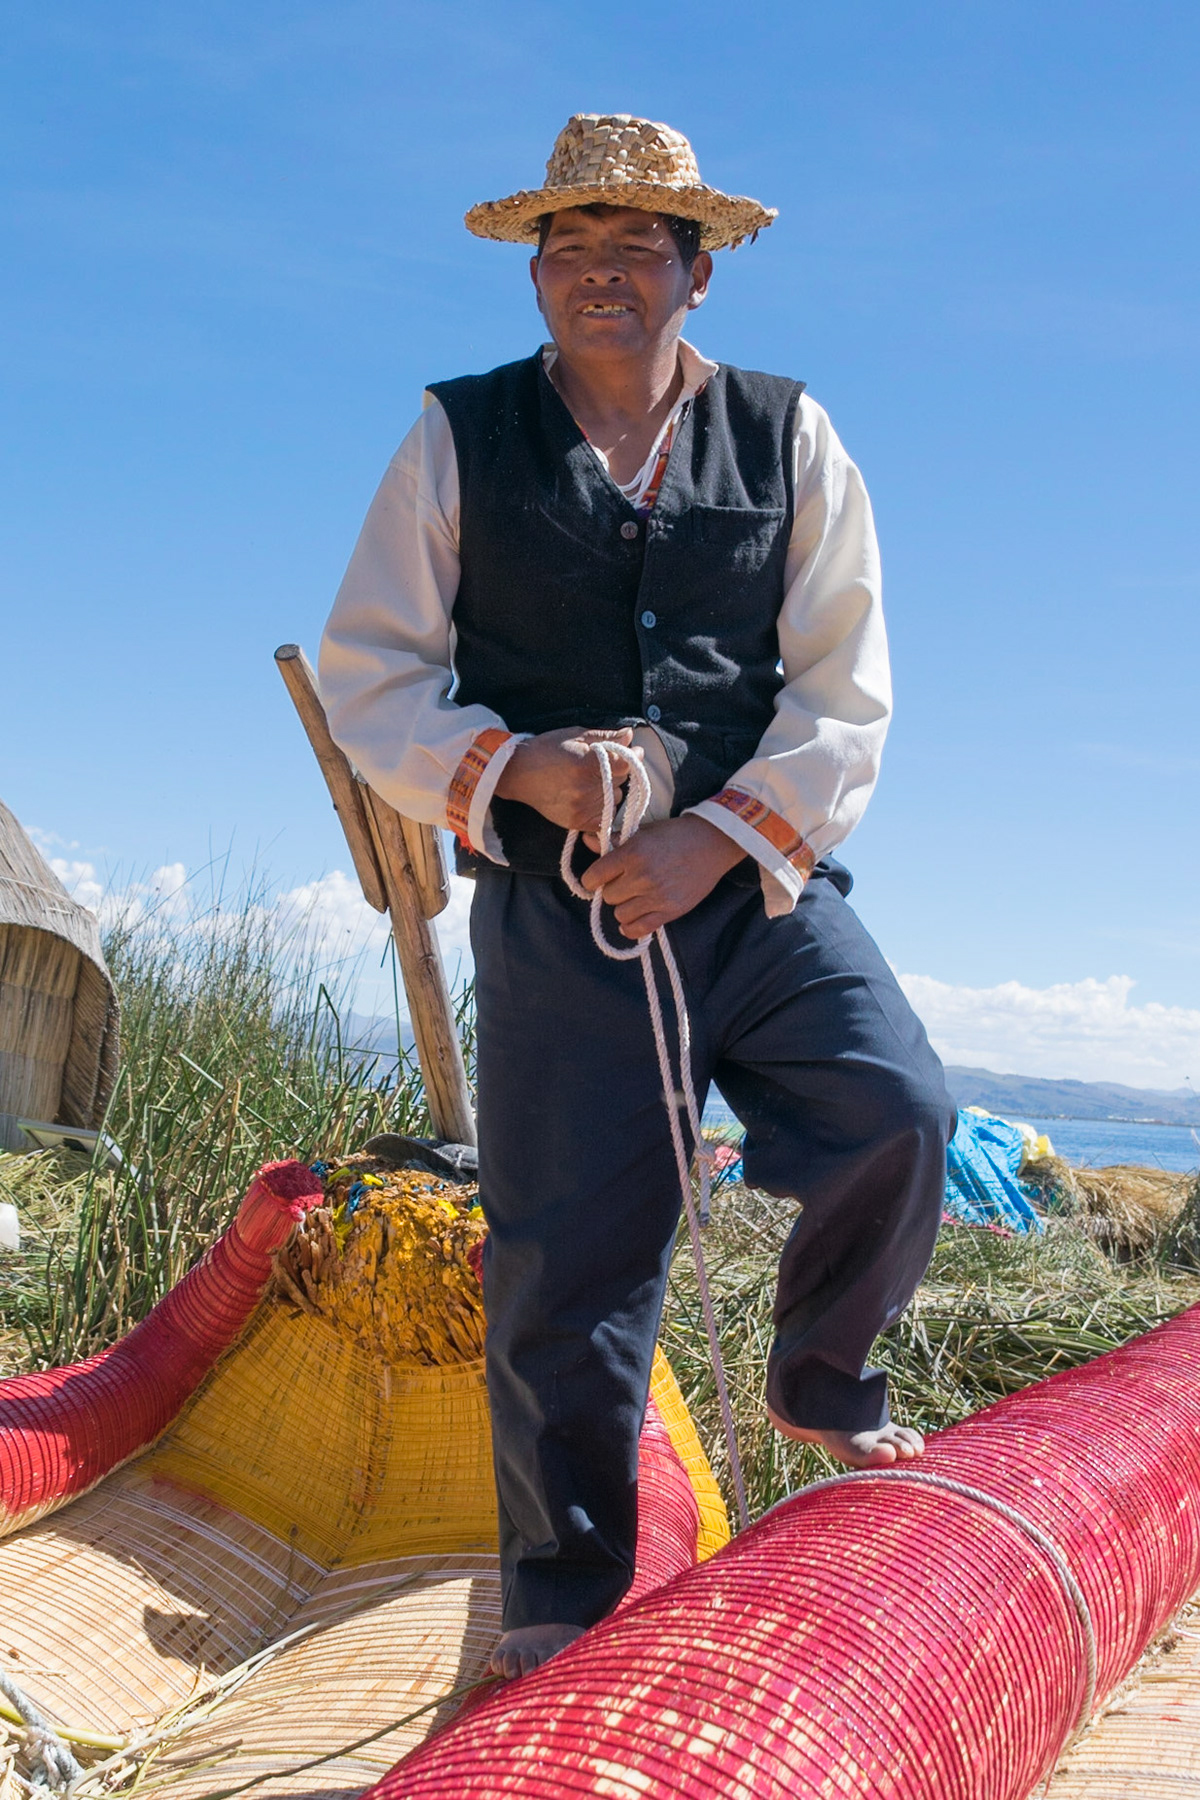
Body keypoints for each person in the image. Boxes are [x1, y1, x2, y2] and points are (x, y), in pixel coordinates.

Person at [319, 113, 955, 1681]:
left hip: (757, 888)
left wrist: (719, 838)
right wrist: (517, 770)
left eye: (638, 249)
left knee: (898, 1109)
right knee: (567, 1255)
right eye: (572, 248)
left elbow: (844, 688)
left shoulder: (791, 433)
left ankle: (820, 1382)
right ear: (536, 273)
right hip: (557, 910)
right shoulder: (455, 435)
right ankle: (560, 1601)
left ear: (698, 272)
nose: (602, 275)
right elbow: (373, 674)